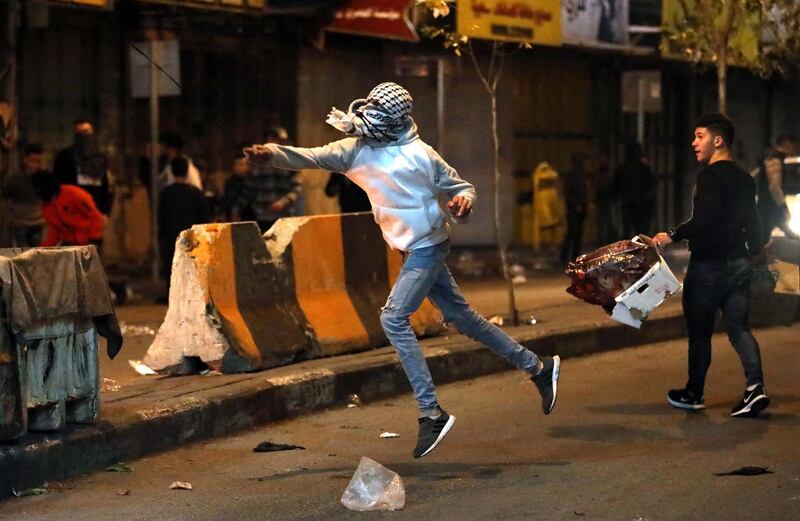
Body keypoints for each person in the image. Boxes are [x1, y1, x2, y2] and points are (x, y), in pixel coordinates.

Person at [244, 82, 561, 459]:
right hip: (409, 246)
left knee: (394, 319)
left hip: (429, 244)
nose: (368, 119)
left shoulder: (420, 154)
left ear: (394, 122)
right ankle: (539, 368)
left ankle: (432, 413)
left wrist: (463, 200)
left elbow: (462, 186)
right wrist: (270, 155)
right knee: (464, 318)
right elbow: (308, 157)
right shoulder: (354, 150)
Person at [653, 113, 768, 418]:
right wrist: (757, 249)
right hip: (739, 263)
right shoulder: (745, 178)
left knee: (700, 332)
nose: (694, 143)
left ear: (718, 140)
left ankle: (694, 393)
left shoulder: (708, 176)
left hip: (709, 266)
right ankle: (755, 388)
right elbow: (753, 220)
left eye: (699, 136)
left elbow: (704, 220)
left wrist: (673, 235)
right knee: (739, 329)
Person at [158, 156, 212, 298]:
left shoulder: (166, 193)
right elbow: (205, 216)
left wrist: (161, 237)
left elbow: (161, 218)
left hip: (171, 237)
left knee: (172, 267)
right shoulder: (195, 193)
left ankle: (173, 295)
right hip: (192, 237)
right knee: (192, 268)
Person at [237, 127, 303, 232]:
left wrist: (283, 201)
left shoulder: (288, 161)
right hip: (262, 215)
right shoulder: (258, 162)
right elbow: (249, 189)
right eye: (271, 140)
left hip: (285, 216)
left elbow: (297, 187)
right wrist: (237, 209)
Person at [30, 170, 106, 250]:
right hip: (69, 243)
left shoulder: (73, 194)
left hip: (88, 241)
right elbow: (55, 231)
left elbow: (95, 217)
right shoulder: (46, 206)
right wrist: (42, 249)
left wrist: (94, 240)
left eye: (39, 187)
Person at [53, 119, 114, 216]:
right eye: (79, 133)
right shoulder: (64, 157)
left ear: (92, 133)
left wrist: (105, 212)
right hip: (72, 213)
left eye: (86, 132)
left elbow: (107, 187)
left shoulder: (100, 158)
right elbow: (57, 185)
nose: (83, 136)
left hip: (94, 213)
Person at [752, 133, 800, 242]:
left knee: (765, 236)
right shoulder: (774, 159)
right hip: (770, 205)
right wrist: (783, 206)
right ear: (787, 144)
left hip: (767, 205)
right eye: (795, 146)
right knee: (766, 236)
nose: (796, 149)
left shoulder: (770, 157)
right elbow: (774, 187)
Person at [3, 143, 46, 246]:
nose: (35, 165)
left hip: (38, 223)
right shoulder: (15, 179)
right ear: (25, 160)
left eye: (38, 161)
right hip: (20, 223)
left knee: (37, 253)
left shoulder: (44, 179)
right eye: (33, 161)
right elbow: (4, 199)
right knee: (22, 253)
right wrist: (10, 218)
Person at [614, 142, 655, 239]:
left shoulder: (622, 168)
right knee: (641, 231)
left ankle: (628, 251)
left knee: (627, 229)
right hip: (641, 202)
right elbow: (651, 184)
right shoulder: (644, 168)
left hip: (627, 201)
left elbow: (616, 184)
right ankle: (640, 250)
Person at [560, 152, 588, 263]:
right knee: (573, 232)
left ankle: (572, 255)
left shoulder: (579, 174)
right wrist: (577, 204)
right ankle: (567, 255)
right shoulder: (573, 175)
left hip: (578, 207)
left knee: (575, 233)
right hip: (574, 208)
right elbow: (569, 192)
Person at [222, 154, 253, 221]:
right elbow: (226, 200)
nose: (243, 167)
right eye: (240, 165)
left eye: (246, 164)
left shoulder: (252, 181)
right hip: (231, 217)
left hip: (249, 216)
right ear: (234, 167)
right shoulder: (229, 182)